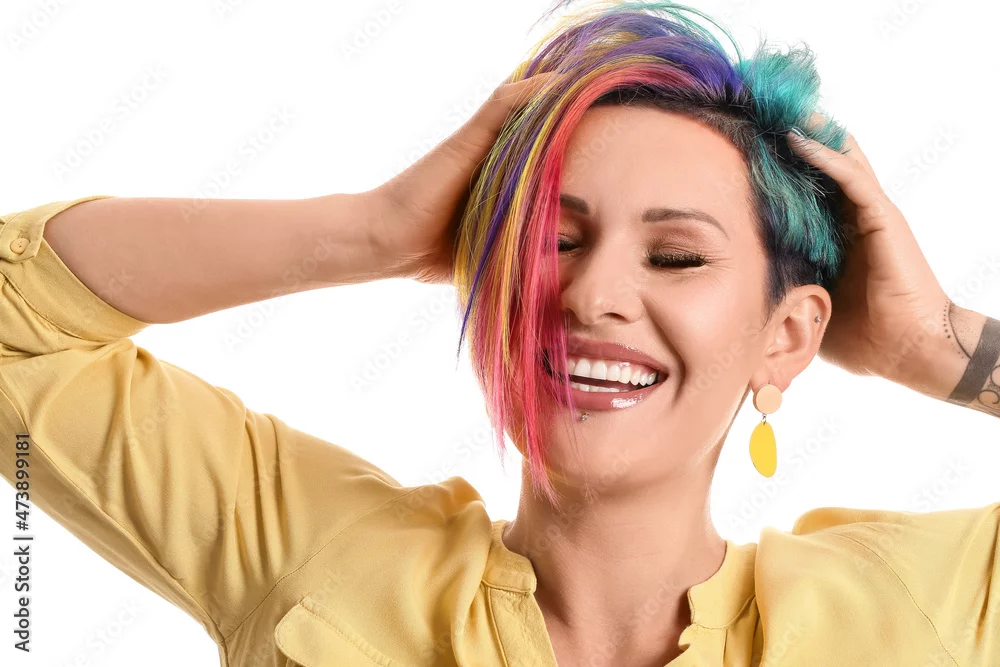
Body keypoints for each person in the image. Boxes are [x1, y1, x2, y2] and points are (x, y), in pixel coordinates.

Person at [1, 1, 997, 665]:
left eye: (675, 255)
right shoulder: (315, 557)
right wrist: (376, 231)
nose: (592, 294)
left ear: (787, 336)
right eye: (553, 240)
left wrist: (935, 345)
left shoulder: (911, 613)